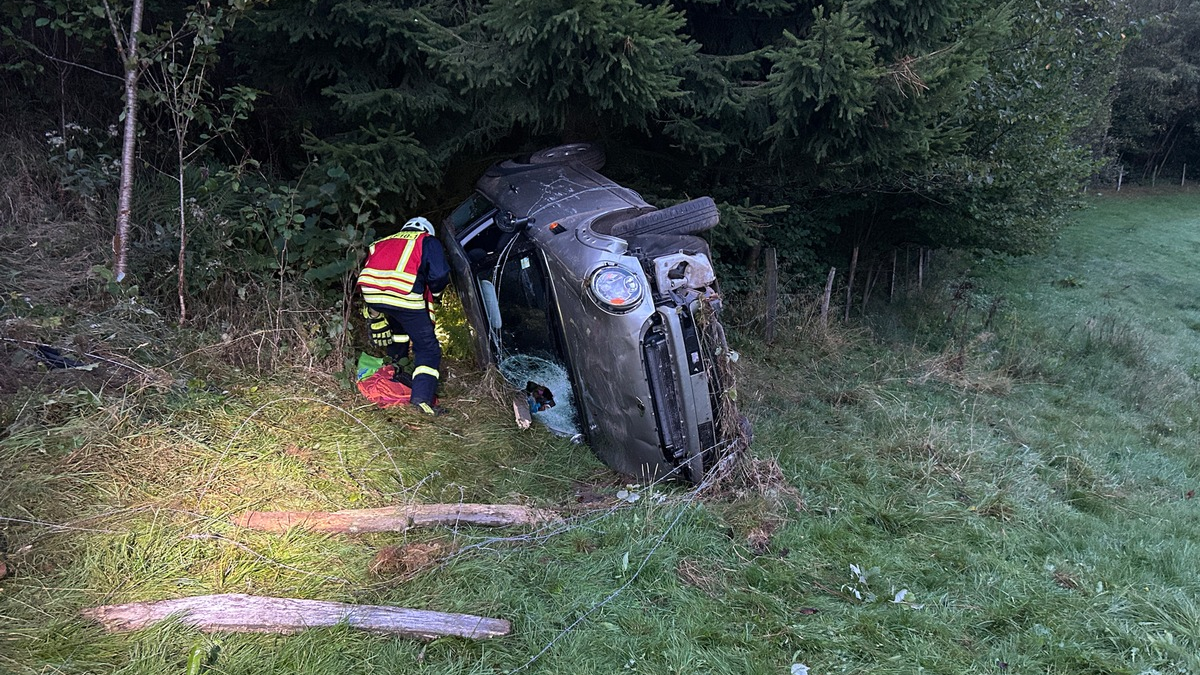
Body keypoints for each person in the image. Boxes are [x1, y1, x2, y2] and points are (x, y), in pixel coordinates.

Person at [357, 216, 451, 415]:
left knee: (399, 331)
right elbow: (440, 273)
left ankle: (395, 370)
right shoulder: (427, 240)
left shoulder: (381, 242)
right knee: (428, 350)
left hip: (374, 296)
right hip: (405, 295)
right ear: (427, 231)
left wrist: (373, 314)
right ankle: (422, 400)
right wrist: (435, 293)